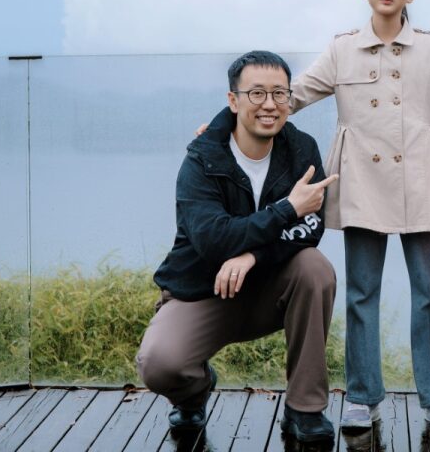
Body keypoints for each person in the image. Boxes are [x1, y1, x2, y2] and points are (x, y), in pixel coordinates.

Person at [291, 0, 430, 429]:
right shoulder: (341, 47)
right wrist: (228, 119)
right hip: (362, 182)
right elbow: (294, 95)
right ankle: (363, 397)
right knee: (361, 292)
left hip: (423, 181)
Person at [136, 51, 339, 444]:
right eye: (257, 93)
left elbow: (311, 225)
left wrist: (254, 255)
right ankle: (194, 391)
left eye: (280, 93)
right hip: (204, 291)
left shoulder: (301, 150)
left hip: (270, 288)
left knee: (315, 268)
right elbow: (213, 239)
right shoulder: (203, 158)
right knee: (159, 365)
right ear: (234, 100)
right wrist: (285, 210)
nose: (269, 104)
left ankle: (305, 408)